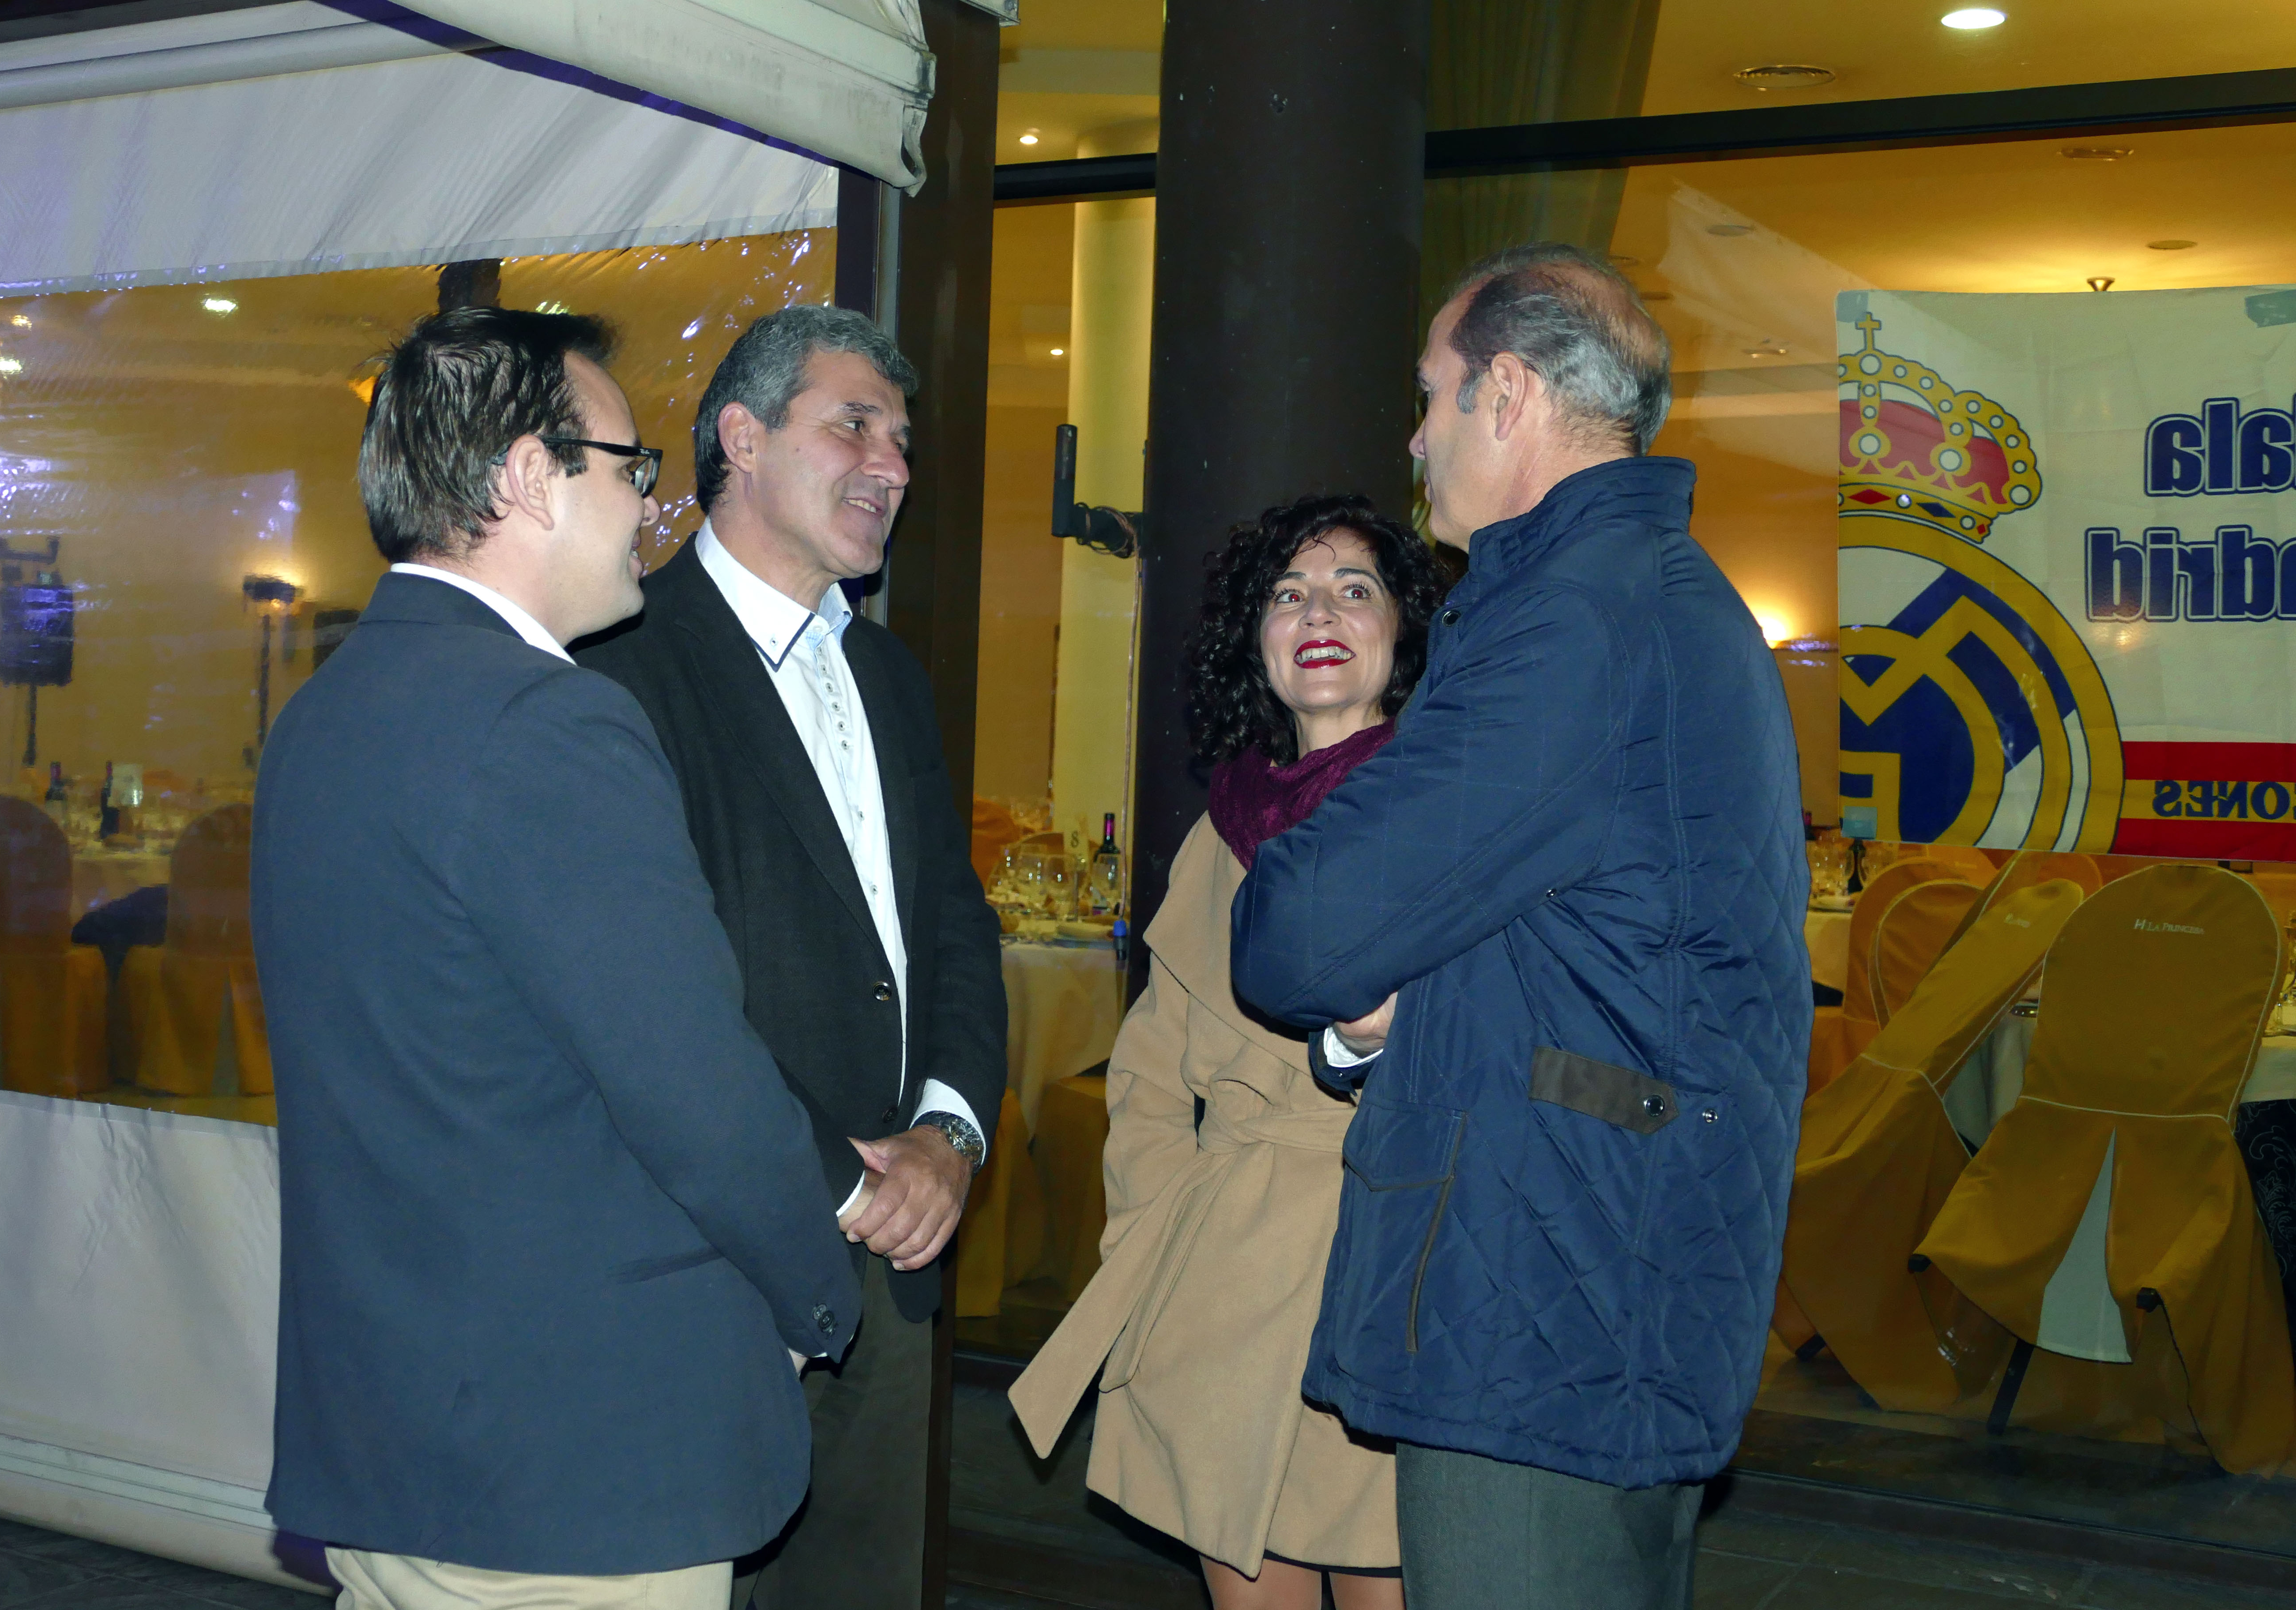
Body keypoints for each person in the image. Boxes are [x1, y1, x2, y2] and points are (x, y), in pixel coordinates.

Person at [253, 306, 862, 1610]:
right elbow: (696, 1092)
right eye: (631, 467)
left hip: (394, 1426)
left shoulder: (321, 717)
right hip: (576, 1464)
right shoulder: (547, 723)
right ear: (533, 477)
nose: (650, 505)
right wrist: (819, 1294)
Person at [1231, 243, 1810, 1610]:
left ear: (1507, 394)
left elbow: (1296, 933)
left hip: (1554, 1291)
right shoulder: (1650, 594)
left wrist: (1365, 969)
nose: (1417, 437)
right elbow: (1583, 942)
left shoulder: (1576, 622)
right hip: (1601, 1261)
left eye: (1430, 395)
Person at [575, 305, 1005, 1610]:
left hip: (899, 1268)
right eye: (854, 425)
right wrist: (844, 1182)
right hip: (703, 1260)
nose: (893, 466)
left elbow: (953, 926)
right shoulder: (619, 662)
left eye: (903, 441)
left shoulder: (893, 678)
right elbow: (645, 995)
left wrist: (948, 1138)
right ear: (744, 439)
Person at [1010, 493, 1445, 1610]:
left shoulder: (1450, 813)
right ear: (1255, 639)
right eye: (1288, 595)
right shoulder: (1226, 825)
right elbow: (1151, 1069)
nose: (1320, 614)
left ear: (1403, 631)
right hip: (1226, 1278)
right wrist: (1161, 1226)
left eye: (1355, 589)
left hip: (1389, 1272)